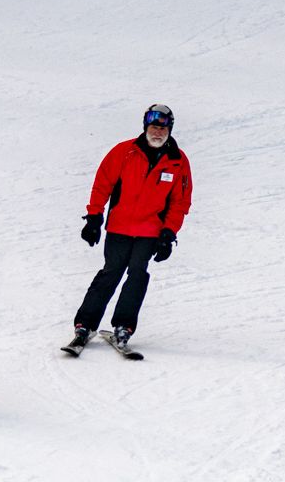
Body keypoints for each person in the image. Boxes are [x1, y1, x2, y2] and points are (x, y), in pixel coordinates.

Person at [68, 103, 192, 353]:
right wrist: (94, 217)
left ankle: (123, 327)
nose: (157, 132)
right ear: (146, 127)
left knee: (137, 274)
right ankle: (85, 325)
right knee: (110, 273)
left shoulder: (178, 162)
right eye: (154, 127)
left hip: (150, 232)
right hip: (119, 227)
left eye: (162, 128)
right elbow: (102, 184)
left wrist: (168, 233)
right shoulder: (124, 152)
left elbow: (180, 201)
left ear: (169, 130)